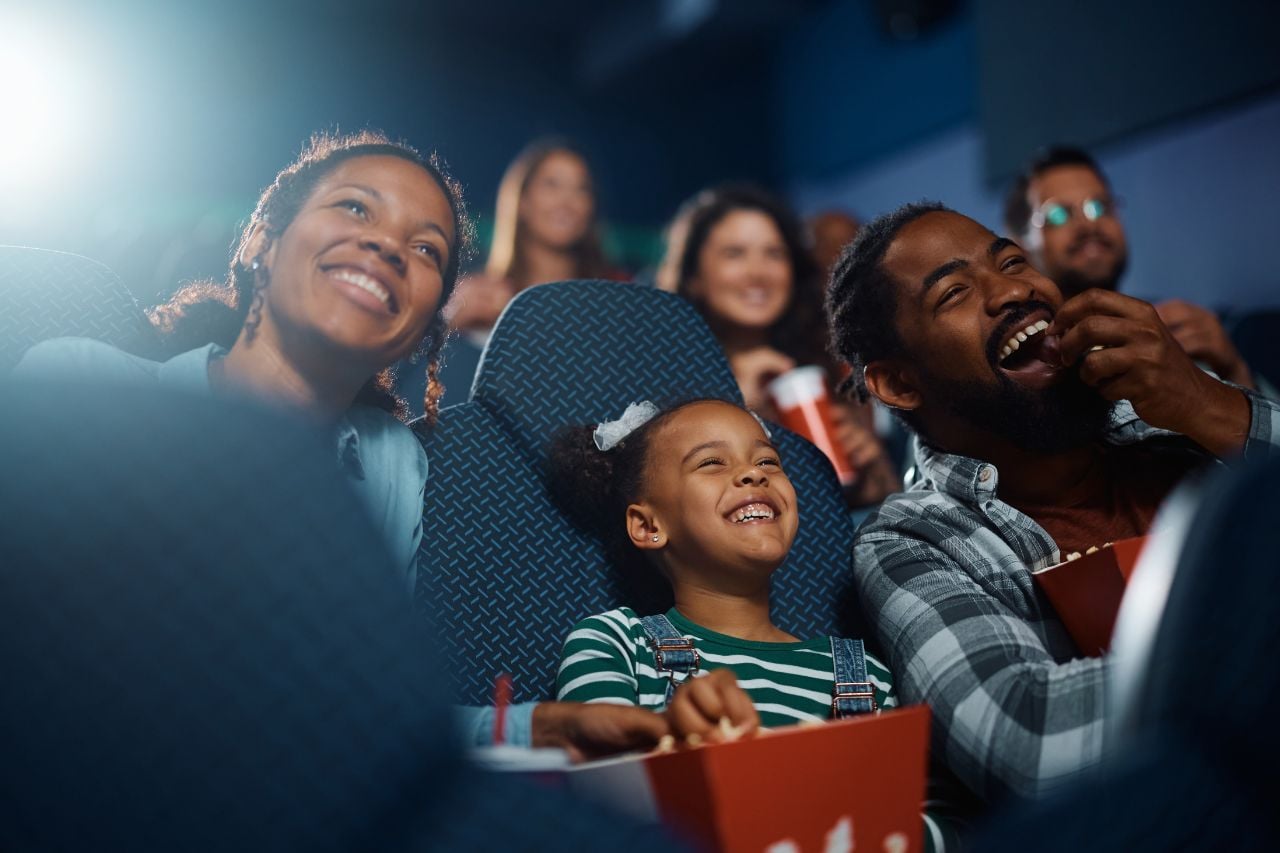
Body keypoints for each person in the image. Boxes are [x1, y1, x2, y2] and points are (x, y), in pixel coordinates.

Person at [9, 130, 672, 760]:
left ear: (420, 331)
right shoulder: (79, 381)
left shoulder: (392, 465)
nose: (387, 246)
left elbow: (365, 717)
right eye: (355, 207)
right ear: (265, 240)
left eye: (425, 250)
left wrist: (539, 724)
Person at [825, 201, 1280, 803]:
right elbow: (1029, 739)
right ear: (898, 383)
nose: (1013, 290)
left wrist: (1209, 403)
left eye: (1012, 260)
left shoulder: (1173, 412)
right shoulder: (913, 542)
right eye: (954, 293)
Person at [550, 398, 958, 850]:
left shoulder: (864, 674)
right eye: (710, 463)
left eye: (768, 460)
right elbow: (604, 801)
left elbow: (936, 823)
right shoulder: (615, 644)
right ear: (649, 526)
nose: (753, 474)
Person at [658, 185, 900, 509]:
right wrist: (737, 406)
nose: (758, 272)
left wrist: (872, 470)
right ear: (693, 277)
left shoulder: (828, 368)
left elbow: (878, 500)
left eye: (774, 253)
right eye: (735, 253)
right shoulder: (664, 383)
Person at [1004, 146, 1263, 391]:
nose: (1088, 226)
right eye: (1059, 214)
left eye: (1099, 207)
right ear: (1019, 244)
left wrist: (1234, 371)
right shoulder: (1024, 367)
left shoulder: (1175, 332)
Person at [413, 139, 623, 412]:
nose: (567, 201)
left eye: (581, 189)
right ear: (522, 200)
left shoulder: (616, 293)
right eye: (552, 185)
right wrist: (446, 324)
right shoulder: (478, 295)